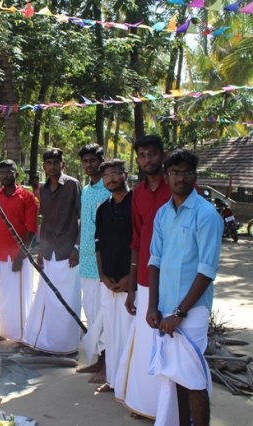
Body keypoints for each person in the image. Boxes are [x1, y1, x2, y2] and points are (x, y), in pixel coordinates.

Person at [147, 149, 222, 426]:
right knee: (176, 376)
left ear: (195, 176)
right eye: (175, 172)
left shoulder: (206, 214)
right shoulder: (163, 214)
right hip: (165, 308)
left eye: (186, 172)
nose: (180, 177)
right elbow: (154, 261)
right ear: (166, 177)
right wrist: (152, 306)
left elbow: (206, 270)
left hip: (191, 311)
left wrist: (179, 312)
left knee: (193, 380)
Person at [115, 135, 168, 419]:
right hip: (146, 278)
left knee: (169, 343)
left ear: (162, 155)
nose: (148, 159)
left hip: (174, 279)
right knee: (147, 341)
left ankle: (169, 409)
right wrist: (133, 286)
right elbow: (136, 240)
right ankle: (145, 404)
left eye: (152, 154)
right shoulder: (138, 194)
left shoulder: (178, 187)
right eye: (143, 155)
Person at [23, 148, 81, 355]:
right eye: (48, 163)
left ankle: (68, 346)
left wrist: (77, 247)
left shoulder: (73, 185)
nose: (52, 166)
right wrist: (40, 249)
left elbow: (81, 217)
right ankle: (50, 343)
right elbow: (44, 221)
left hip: (69, 252)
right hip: (49, 252)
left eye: (56, 162)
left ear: (62, 164)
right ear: (44, 166)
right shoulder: (43, 190)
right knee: (49, 297)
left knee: (68, 297)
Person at [0, 159, 38, 341]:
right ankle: (4, 331)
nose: (5, 175)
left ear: (17, 174)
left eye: (9, 171)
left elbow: (31, 230)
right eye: (2, 172)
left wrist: (20, 256)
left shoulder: (28, 198)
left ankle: (22, 335)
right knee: (0, 295)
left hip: (19, 257)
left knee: (20, 297)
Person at [93, 159, 134, 394]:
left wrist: (131, 276)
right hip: (108, 282)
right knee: (111, 332)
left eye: (115, 173)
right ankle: (114, 379)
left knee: (131, 334)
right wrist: (102, 276)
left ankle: (130, 386)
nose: (111, 179)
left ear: (125, 175)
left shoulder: (136, 203)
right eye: (106, 175)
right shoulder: (103, 209)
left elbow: (141, 244)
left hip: (132, 283)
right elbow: (97, 245)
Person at [77, 144, 110, 383]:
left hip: (104, 263)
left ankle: (107, 366)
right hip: (86, 262)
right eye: (85, 161)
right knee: (91, 313)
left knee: (105, 316)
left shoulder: (108, 189)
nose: (89, 165)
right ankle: (98, 361)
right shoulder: (86, 191)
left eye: (92, 160)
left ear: (101, 160)